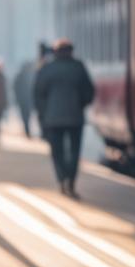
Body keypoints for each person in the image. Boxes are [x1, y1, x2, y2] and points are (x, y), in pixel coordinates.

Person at [34, 38, 94, 199]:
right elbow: (89, 92)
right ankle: (71, 182)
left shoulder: (47, 69)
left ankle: (62, 179)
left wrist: (43, 114)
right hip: (75, 118)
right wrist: (80, 104)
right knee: (74, 152)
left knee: (56, 151)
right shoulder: (78, 67)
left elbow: (38, 94)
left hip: (52, 118)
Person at [12, 42, 46, 138]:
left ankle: (27, 131)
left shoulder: (20, 76)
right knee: (29, 115)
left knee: (25, 116)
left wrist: (17, 98)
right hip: (28, 99)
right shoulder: (31, 75)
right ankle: (28, 131)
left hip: (24, 100)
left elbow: (15, 88)